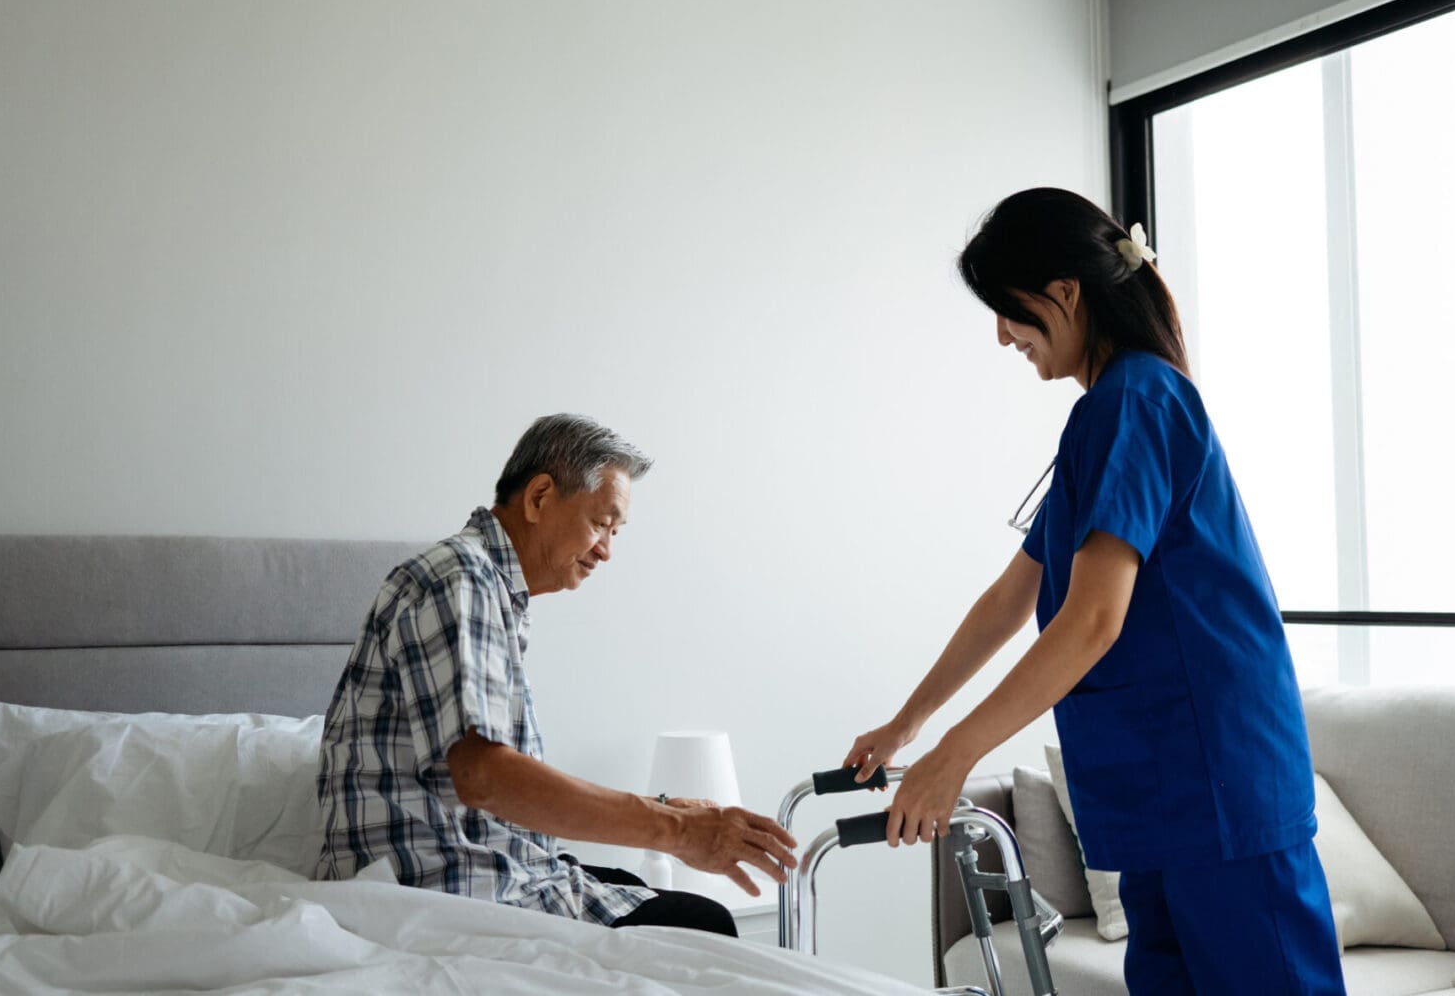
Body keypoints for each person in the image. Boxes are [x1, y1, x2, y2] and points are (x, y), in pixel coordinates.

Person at [843, 189, 1345, 994]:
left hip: (1214, 782)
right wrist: (909, 724)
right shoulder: (1099, 417)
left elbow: (1093, 621)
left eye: (1009, 310)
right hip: (1156, 792)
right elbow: (1012, 597)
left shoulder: (1138, 401)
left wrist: (957, 754)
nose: (1002, 333)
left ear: (1065, 293)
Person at [317, 413, 797, 936]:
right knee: (701, 925)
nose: (607, 550)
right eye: (600, 523)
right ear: (540, 497)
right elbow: (484, 776)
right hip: (447, 888)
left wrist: (663, 808)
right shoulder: (458, 578)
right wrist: (677, 830)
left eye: (616, 531)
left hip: (490, 870)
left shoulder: (489, 590)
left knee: (654, 898)